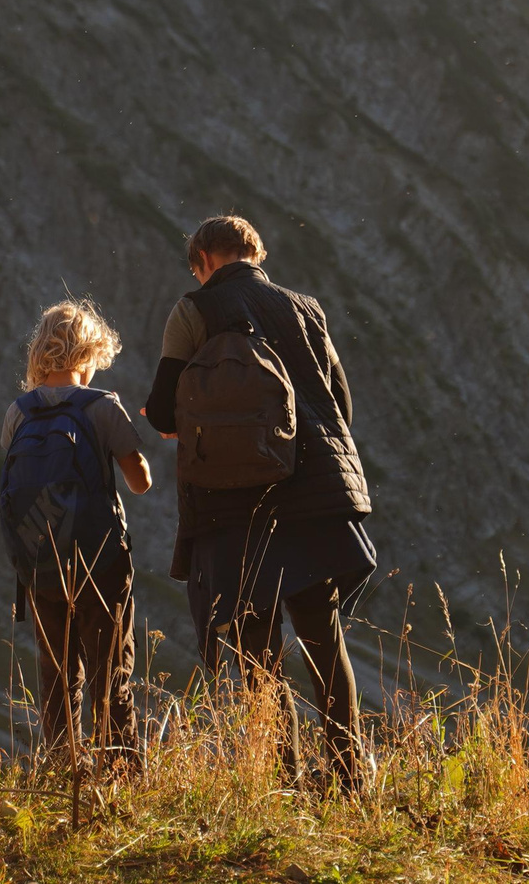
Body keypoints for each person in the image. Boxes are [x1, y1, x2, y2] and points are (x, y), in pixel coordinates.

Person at [144, 215, 374, 788]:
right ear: (256, 253)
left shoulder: (192, 311)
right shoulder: (307, 308)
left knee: (256, 646)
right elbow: (340, 402)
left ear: (203, 260)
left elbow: (164, 409)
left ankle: (281, 780)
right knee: (324, 638)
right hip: (315, 493)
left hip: (233, 503)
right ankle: (349, 778)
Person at [0, 297, 152, 770]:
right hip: (100, 563)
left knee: (57, 677)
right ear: (87, 355)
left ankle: (62, 772)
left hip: (40, 565)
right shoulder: (101, 406)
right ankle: (122, 777)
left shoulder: (18, 413)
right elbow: (139, 480)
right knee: (110, 675)